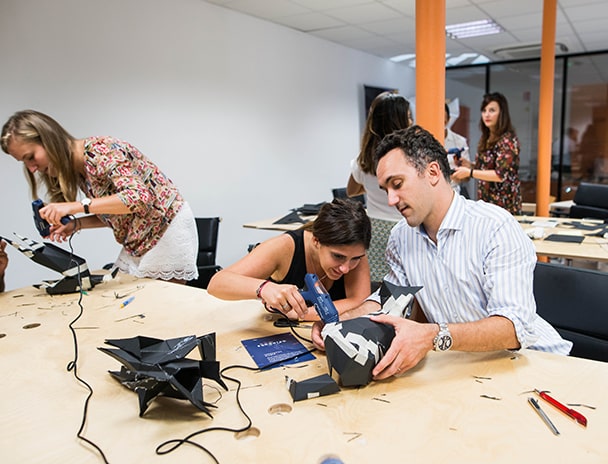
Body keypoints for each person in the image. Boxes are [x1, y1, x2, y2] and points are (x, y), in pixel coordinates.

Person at [313, 126, 571, 380]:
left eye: (397, 184)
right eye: (386, 190)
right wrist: (338, 324)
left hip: (536, 364)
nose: (391, 200)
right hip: (466, 368)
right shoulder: (401, 237)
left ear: (433, 172)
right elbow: (389, 301)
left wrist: (432, 335)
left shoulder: (495, 226)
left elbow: (513, 328)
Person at [1, 110, 198, 284]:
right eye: (24, 163)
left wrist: (75, 207)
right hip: (140, 239)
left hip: (165, 230)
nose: (32, 169)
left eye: (30, 157)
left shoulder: (102, 150)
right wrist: (75, 224)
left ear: (48, 139)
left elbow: (137, 198)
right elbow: (116, 212)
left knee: (155, 310)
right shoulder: (80, 171)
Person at [207, 198, 372, 321]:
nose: (346, 268)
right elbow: (217, 283)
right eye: (337, 256)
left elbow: (360, 301)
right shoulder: (283, 247)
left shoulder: (353, 249)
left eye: (355, 259)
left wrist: (304, 314)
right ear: (316, 240)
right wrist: (264, 288)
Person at [346, 91, 412, 283]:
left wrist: (373, 186)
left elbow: (351, 191)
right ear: (398, 122)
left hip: (374, 231)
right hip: (404, 229)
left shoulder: (363, 160)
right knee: (406, 287)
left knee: (377, 289)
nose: (411, 122)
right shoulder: (409, 159)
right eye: (407, 117)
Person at [452, 92, 522, 215]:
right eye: (484, 110)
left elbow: (500, 175)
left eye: (492, 110)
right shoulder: (486, 138)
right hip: (486, 203)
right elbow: (486, 168)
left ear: (502, 113)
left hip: (504, 205)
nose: (487, 115)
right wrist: (470, 165)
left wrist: (470, 172)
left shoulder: (508, 140)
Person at [443, 103, 470, 197]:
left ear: (448, 119)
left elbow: (467, 177)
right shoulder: (423, 141)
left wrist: (459, 173)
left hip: (453, 191)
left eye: (443, 119)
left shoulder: (459, 141)